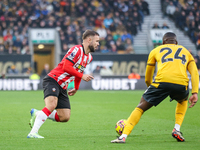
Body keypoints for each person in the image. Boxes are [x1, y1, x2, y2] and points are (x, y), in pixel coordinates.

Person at [111, 32, 199, 143]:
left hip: (161, 82)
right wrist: (195, 93)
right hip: (181, 84)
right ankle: (176, 129)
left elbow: (148, 75)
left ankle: (123, 136)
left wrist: (150, 87)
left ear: (163, 42)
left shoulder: (156, 50)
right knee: (182, 101)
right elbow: (194, 73)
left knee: (141, 106)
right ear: (176, 42)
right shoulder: (186, 52)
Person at [27, 30, 100, 138]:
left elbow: (79, 72)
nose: (98, 44)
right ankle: (33, 133)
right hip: (53, 79)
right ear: (89, 40)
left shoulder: (89, 57)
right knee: (51, 105)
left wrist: (76, 87)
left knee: (65, 117)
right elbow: (66, 67)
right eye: (97, 41)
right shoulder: (76, 50)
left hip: (63, 86)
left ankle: (38, 114)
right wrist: (82, 76)